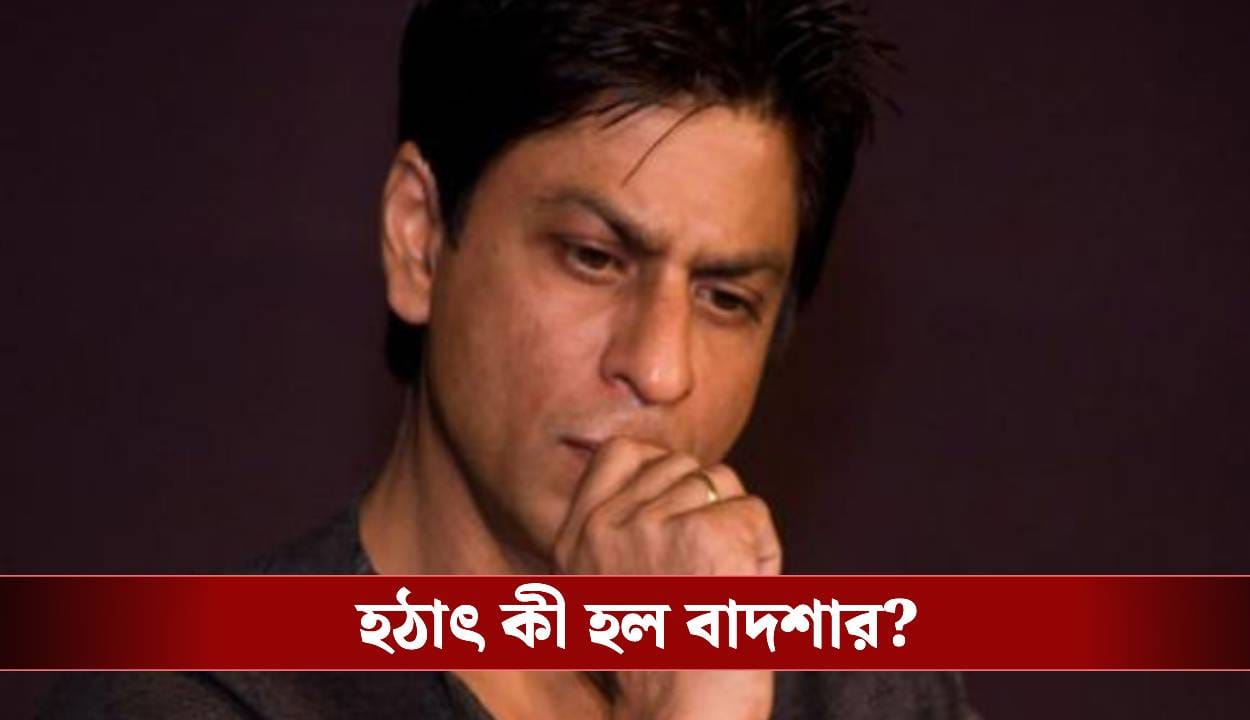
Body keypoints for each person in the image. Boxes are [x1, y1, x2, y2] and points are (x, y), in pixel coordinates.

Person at [45, 1, 977, 717]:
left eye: (724, 298)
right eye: (594, 258)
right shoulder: (187, 696)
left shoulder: (871, 697)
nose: (659, 368)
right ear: (420, 238)